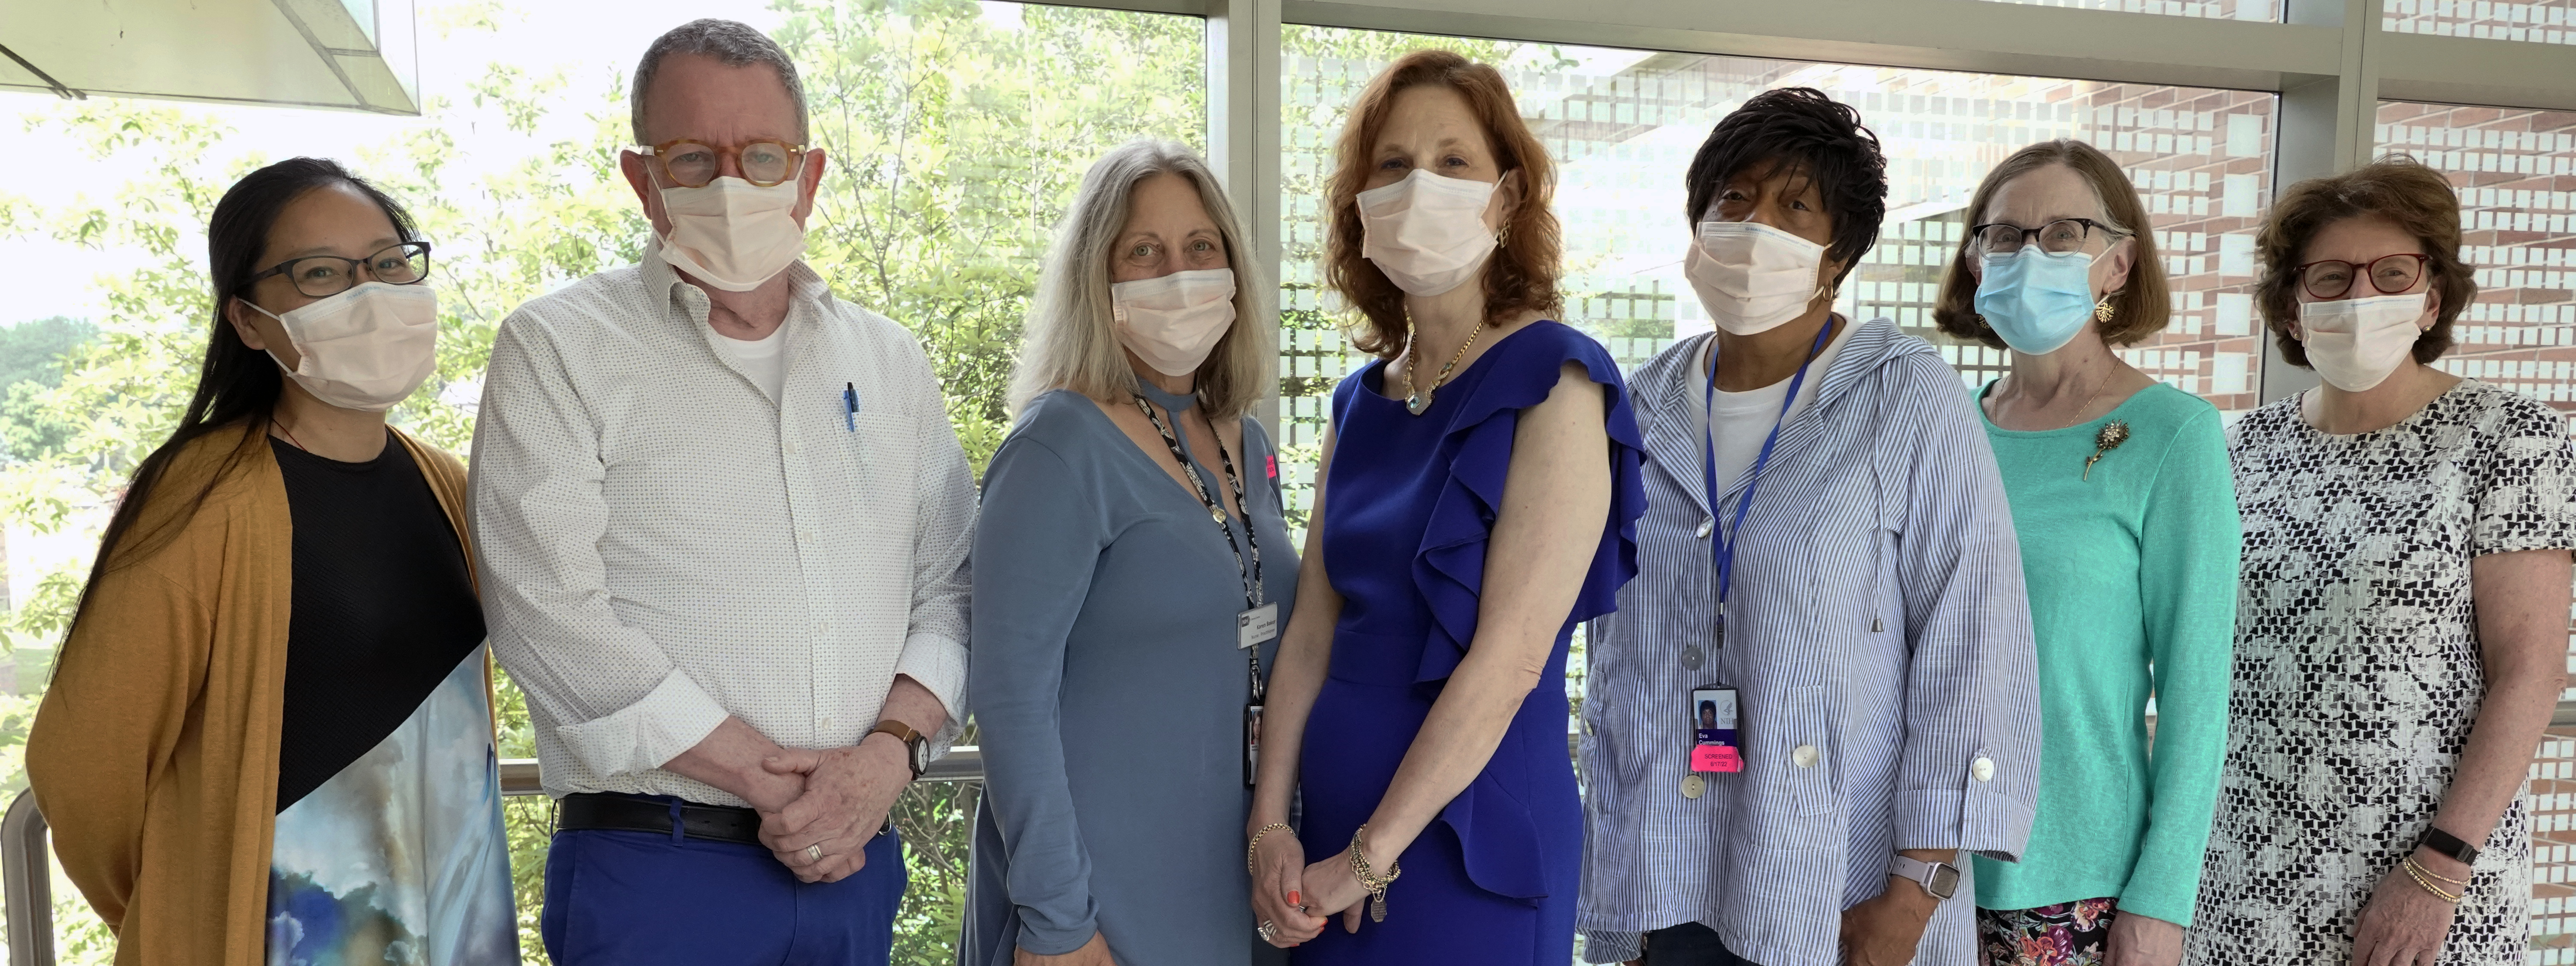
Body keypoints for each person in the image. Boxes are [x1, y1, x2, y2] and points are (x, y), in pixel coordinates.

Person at [469, 19, 974, 966]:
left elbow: (951, 588)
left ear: (811, 177)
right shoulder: (557, 348)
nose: (734, 185)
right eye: (694, 157)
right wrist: (775, 781)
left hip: (856, 862)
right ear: (642, 178)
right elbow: (545, 614)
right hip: (656, 869)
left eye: (764, 156)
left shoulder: (889, 360)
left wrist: (884, 759)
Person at [1574, 87, 2041, 966]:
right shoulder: (1639, 407)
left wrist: (1914, 897)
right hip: (1668, 883)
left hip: (1843, 897)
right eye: (1734, 200)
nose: (1756, 228)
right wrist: (1620, 894)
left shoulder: (1903, 395)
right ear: (1697, 225)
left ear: (1840, 251)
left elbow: (1974, 645)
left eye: (1796, 207)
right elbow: (1612, 656)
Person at [27, 157, 515, 964]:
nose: (369, 292)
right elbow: (84, 766)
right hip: (287, 930)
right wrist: (189, 898)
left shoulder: (448, 482)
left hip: (455, 916)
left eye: (388, 262)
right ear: (249, 321)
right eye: (320, 273)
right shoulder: (203, 494)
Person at [1243, 49, 1649, 966]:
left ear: (1505, 201)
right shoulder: (1359, 401)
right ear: (1360, 200)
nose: (1419, 183)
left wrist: (1367, 860)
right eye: (1393, 165)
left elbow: (1510, 661)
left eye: (1453, 161)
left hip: (1468, 841)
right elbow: (1312, 628)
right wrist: (1270, 826)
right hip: (1329, 839)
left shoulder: (1561, 379)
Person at [2187, 155, 2575, 966]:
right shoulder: (2238, 451)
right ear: (2291, 308)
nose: (2363, 298)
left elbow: (2530, 674)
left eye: (2392, 273)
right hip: (2240, 873)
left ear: (2432, 297)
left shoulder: (2508, 441)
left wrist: (2439, 871)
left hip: (2423, 888)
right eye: (2330, 278)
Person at [963, 140, 1294, 966]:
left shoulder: (1247, 443)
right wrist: (1058, 920)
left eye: (1200, 248)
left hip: (1229, 882)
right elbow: (1009, 702)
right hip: (1095, 907)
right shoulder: (1057, 445)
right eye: (1143, 251)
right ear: (1098, 277)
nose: (1177, 274)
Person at [1928, 139, 2237, 966]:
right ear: (1974, 262)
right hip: (1920, 870)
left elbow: (2197, 693)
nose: (2031, 254)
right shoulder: (1944, 430)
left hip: (2076, 883)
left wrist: (2162, 900)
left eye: (2064, 232)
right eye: (2005, 235)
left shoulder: (2174, 436)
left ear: (2118, 264)